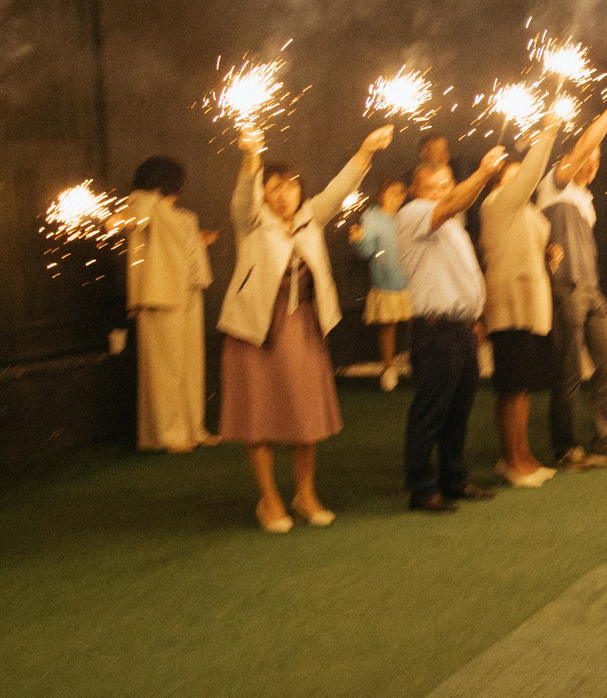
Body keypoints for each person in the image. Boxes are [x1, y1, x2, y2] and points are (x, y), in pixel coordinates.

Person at [218, 123, 394, 530]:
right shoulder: (250, 221)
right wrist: (251, 158)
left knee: (304, 416)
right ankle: (270, 500)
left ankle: (305, 494)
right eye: (274, 187)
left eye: (291, 186)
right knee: (258, 418)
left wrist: (366, 150)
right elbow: (244, 197)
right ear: (264, 192)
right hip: (254, 330)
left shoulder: (311, 217)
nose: (284, 194)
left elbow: (339, 187)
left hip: (301, 327)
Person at [397, 141, 508, 512]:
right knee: (431, 409)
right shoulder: (413, 214)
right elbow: (454, 203)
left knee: (458, 410)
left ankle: (454, 479)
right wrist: (485, 171)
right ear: (416, 191)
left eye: (446, 185)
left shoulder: (453, 226)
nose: (442, 193)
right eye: (434, 187)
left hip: (460, 329)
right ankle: (421, 487)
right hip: (436, 330)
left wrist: (475, 319)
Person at [538, 84, 607, 470]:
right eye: (586, 157)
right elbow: (583, 144)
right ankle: (564, 448)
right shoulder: (553, 183)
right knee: (567, 371)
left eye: (597, 159)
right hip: (565, 288)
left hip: (592, 290)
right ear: (569, 159)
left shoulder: (587, 200)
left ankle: (605, 437)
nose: (592, 163)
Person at [477, 119, 564, 488]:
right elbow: (530, 174)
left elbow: (523, 251)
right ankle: (513, 461)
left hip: (530, 308)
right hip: (509, 307)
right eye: (515, 176)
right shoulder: (497, 203)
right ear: (500, 182)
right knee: (512, 390)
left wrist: (549, 258)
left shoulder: (529, 212)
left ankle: (520, 455)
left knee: (520, 389)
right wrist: (548, 133)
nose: (523, 181)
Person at [118, 156, 214, 452]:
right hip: (159, 296)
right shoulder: (143, 204)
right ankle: (169, 435)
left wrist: (199, 242)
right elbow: (137, 215)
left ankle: (194, 428)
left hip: (189, 292)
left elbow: (178, 246)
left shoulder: (182, 216)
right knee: (165, 370)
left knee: (190, 366)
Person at [348, 178, 409, 390]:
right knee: (388, 326)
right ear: (382, 194)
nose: (397, 198)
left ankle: (413, 361)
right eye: (392, 193)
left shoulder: (406, 216)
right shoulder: (372, 217)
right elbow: (366, 252)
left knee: (415, 324)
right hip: (386, 283)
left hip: (410, 282)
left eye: (401, 194)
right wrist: (357, 240)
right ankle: (388, 369)